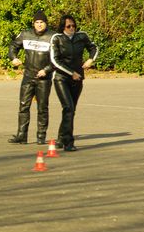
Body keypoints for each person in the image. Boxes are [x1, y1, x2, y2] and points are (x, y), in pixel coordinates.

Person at [49, 14, 99, 151]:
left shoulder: (82, 36)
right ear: (62, 27)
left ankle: (61, 138)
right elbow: (54, 61)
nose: (71, 28)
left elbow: (94, 48)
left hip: (77, 79)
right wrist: (71, 73)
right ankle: (68, 142)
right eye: (68, 26)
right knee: (68, 107)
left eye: (73, 26)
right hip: (61, 78)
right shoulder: (57, 38)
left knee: (71, 110)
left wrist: (90, 59)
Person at [8, 10, 55, 145]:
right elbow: (13, 46)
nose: (39, 25)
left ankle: (41, 136)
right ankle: (21, 135)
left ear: (46, 23)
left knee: (42, 107)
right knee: (23, 106)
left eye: (42, 22)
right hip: (28, 76)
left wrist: (46, 70)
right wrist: (13, 58)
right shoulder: (25, 34)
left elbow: (58, 58)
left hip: (44, 78)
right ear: (33, 23)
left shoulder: (53, 37)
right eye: (37, 22)